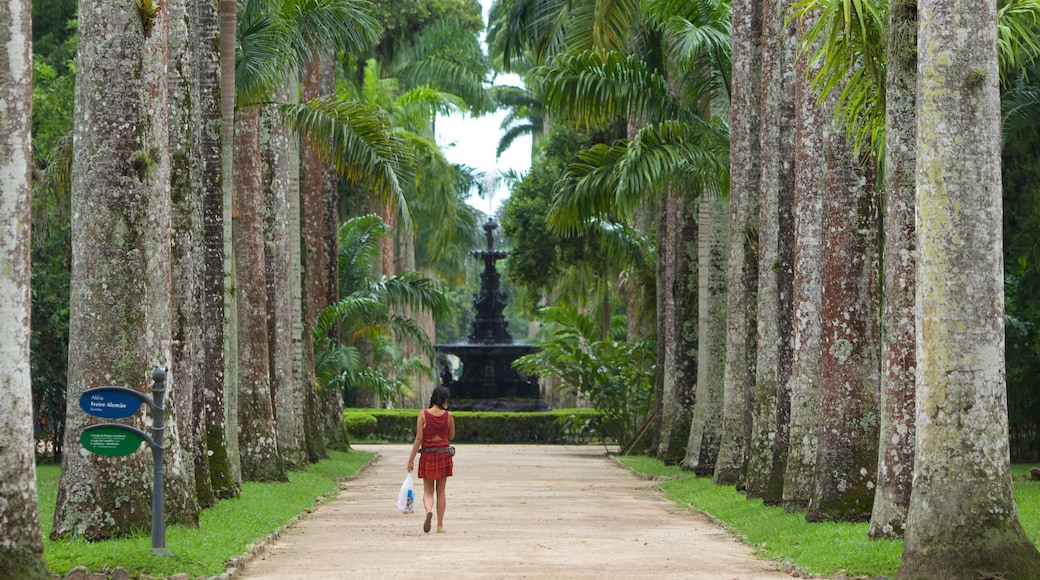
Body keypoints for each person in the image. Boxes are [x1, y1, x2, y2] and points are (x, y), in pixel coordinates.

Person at [407, 386, 455, 533]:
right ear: (445, 399)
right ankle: (440, 525)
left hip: (427, 456)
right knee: (441, 491)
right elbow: (451, 436)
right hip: (443, 455)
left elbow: (418, 439)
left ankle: (428, 511)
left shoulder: (422, 415)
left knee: (428, 492)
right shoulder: (448, 416)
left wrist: (411, 460)